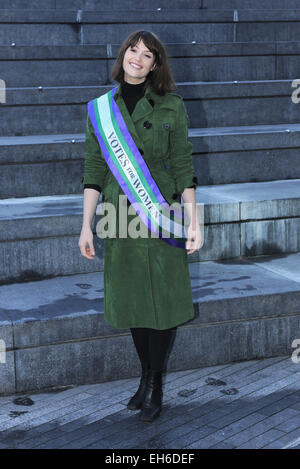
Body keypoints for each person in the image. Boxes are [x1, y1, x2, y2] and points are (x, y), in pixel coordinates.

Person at [78, 30, 202, 423]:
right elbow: (94, 169)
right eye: (134, 50)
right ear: (124, 56)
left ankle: (157, 384)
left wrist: (194, 221)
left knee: (161, 303)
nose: (138, 58)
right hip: (118, 215)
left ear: (155, 65)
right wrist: (86, 225)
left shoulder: (172, 105)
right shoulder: (100, 109)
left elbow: (184, 165)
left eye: (148, 55)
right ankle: (145, 378)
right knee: (133, 301)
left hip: (162, 210)